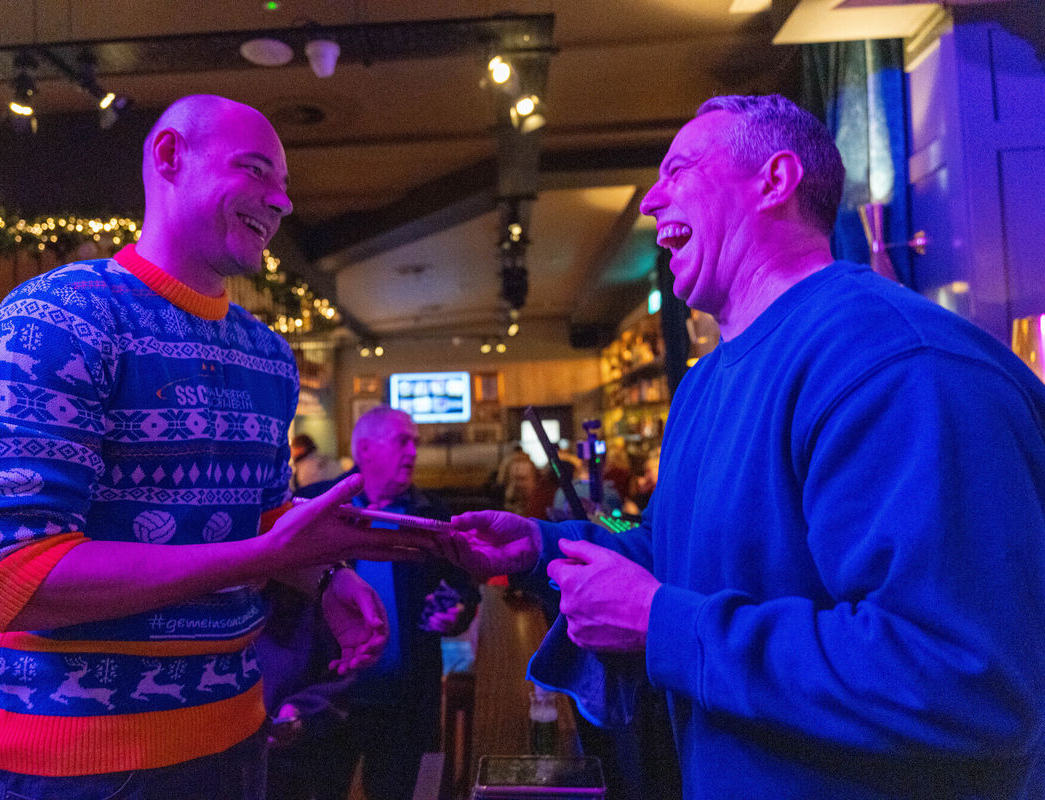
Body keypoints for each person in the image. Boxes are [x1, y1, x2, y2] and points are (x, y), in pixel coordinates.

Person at [438, 94, 1045, 799]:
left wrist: (661, 625)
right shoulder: (705, 383)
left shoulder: (899, 364)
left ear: (775, 181)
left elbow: (964, 678)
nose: (651, 202)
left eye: (680, 170)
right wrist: (543, 549)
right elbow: (688, 559)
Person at [0, 95, 436, 800]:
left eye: (285, 187)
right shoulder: (56, 318)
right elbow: (17, 577)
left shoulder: (267, 354)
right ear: (170, 157)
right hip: (79, 765)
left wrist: (326, 578)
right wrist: (265, 558)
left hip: (238, 737)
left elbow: (262, 517)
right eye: (256, 171)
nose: (280, 202)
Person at [269, 405, 481, 800]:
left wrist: (456, 613)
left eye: (415, 442)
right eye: (403, 441)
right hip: (325, 699)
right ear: (365, 449)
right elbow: (278, 592)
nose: (414, 451)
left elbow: (464, 587)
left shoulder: (431, 513)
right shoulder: (315, 505)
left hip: (406, 699)